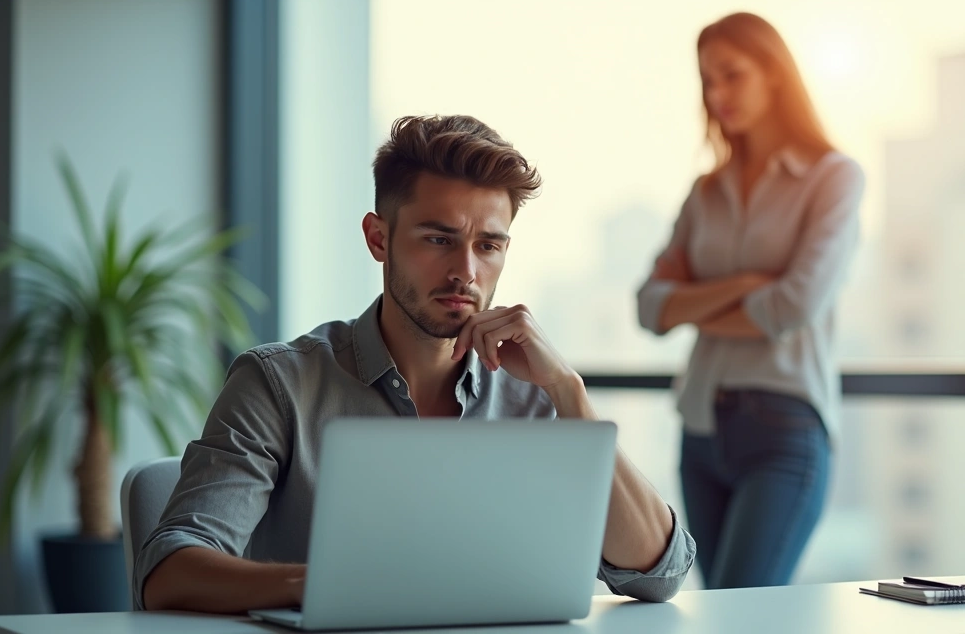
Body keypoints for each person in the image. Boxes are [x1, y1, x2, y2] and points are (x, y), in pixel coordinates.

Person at [136, 115, 695, 613]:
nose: (466, 272)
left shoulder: (536, 393)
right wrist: (326, 585)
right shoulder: (280, 383)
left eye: (489, 246)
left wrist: (570, 392)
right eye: (439, 239)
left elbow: (657, 574)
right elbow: (169, 570)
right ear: (379, 238)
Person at [637, 12, 865, 589]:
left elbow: (792, 309)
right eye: (707, 80)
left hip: (784, 431)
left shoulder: (833, 178)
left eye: (731, 75)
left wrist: (693, 304)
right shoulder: (705, 193)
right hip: (701, 429)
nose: (717, 95)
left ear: (776, 75)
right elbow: (649, 308)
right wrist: (744, 287)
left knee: (744, 613)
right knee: (716, 609)